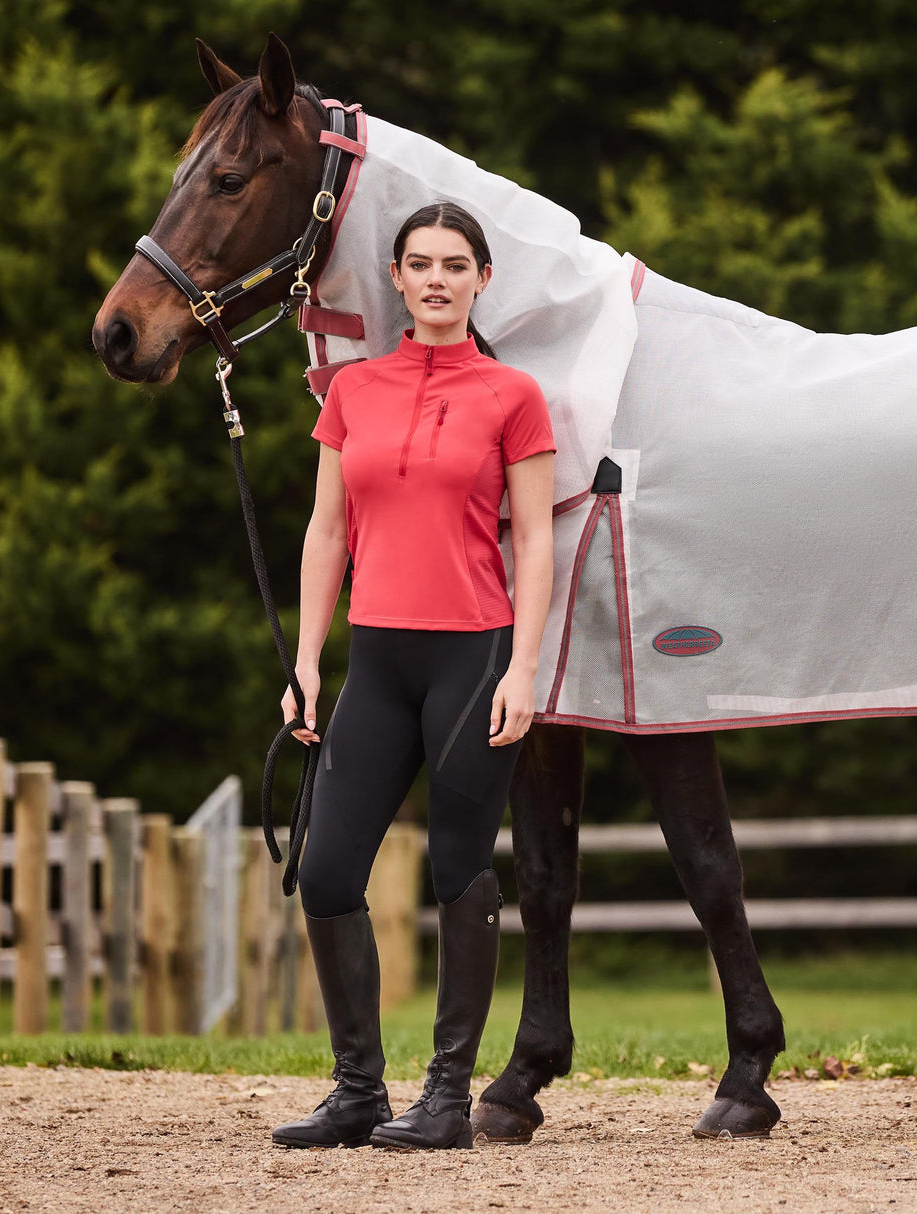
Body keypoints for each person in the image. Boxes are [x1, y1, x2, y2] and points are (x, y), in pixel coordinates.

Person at [270, 201, 555, 1152]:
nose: (437, 278)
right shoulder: (352, 391)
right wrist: (307, 663)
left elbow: (539, 544)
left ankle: (444, 1100)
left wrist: (524, 667)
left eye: (456, 264)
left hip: (473, 657)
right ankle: (357, 1091)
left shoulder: (514, 396)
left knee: (458, 871)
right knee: (325, 871)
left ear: (481, 281)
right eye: (420, 264)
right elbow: (326, 533)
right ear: (395, 279)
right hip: (377, 661)